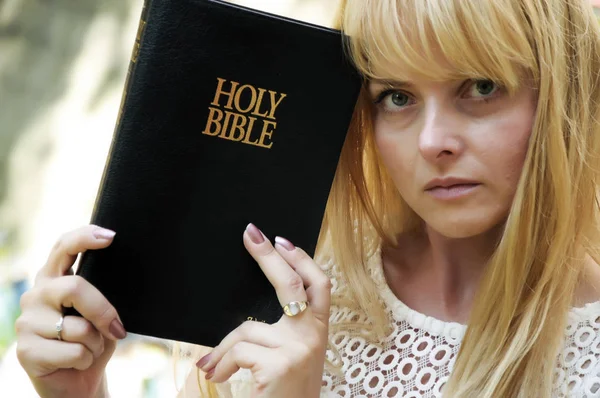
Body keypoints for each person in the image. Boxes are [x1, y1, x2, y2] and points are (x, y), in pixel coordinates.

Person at [14, 0, 600, 396]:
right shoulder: (294, 294)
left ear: (566, 93)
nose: (432, 142)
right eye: (396, 96)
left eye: (481, 87)